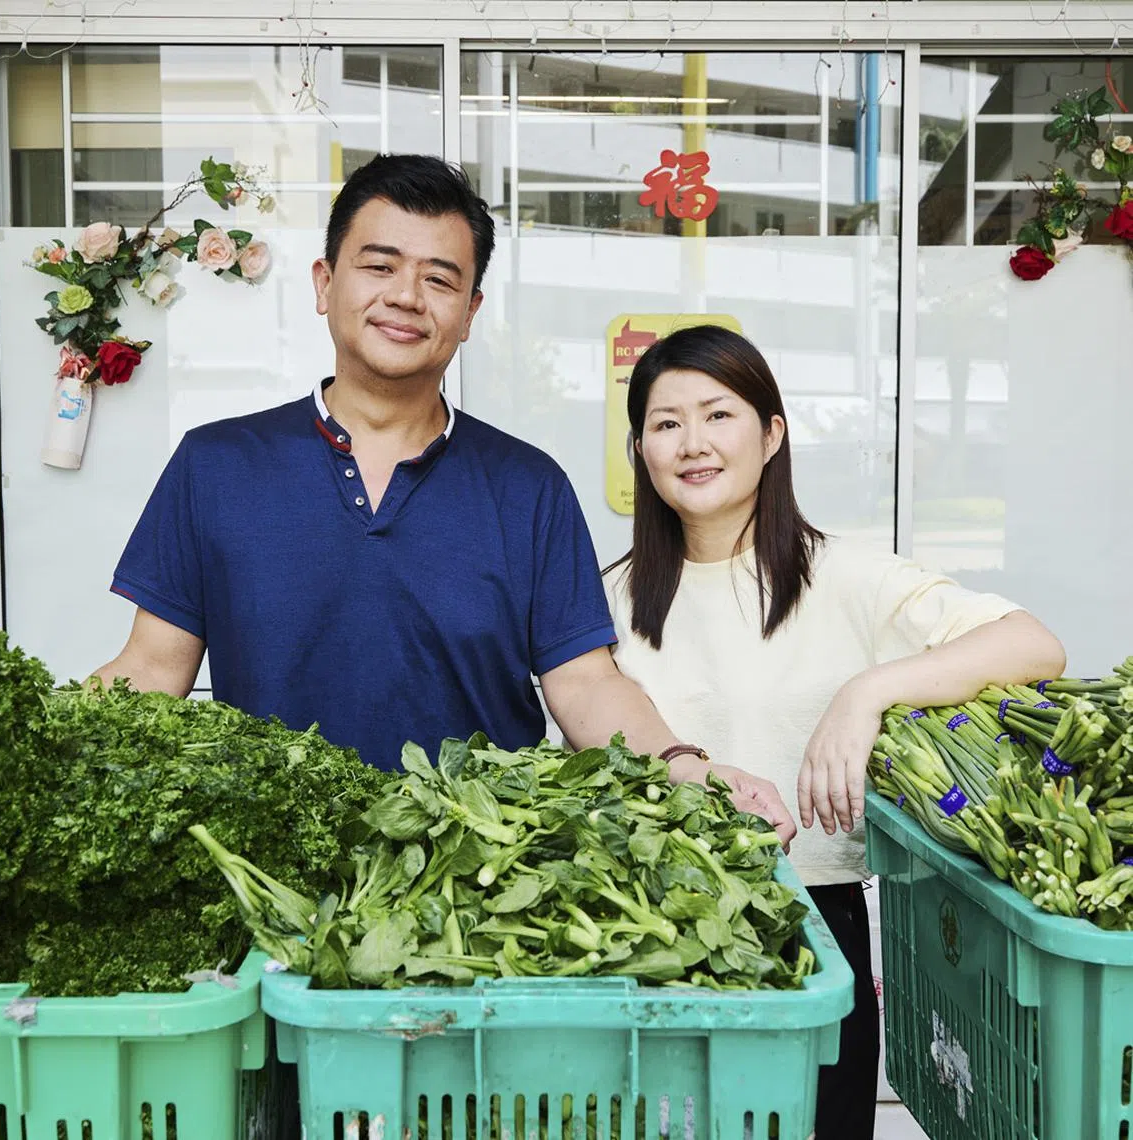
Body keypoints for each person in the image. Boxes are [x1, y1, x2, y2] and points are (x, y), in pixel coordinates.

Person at [89, 153, 795, 838]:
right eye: (379, 266)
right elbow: (152, 667)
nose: (405, 296)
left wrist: (681, 766)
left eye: (439, 279)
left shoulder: (527, 485)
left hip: (478, 888)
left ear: (469, 311)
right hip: (276, 877)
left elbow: (582, 682)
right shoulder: (215, 467)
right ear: (324, 283)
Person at [603, 324, 1065, 1139]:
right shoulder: (608, 598)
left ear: (772, 433)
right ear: (640, 449)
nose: (693, 444)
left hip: (814, 928)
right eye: (666, 423)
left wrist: (867, 692)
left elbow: (1034, 646)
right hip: (643, 934)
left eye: (719, 415)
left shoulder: (845, 575)